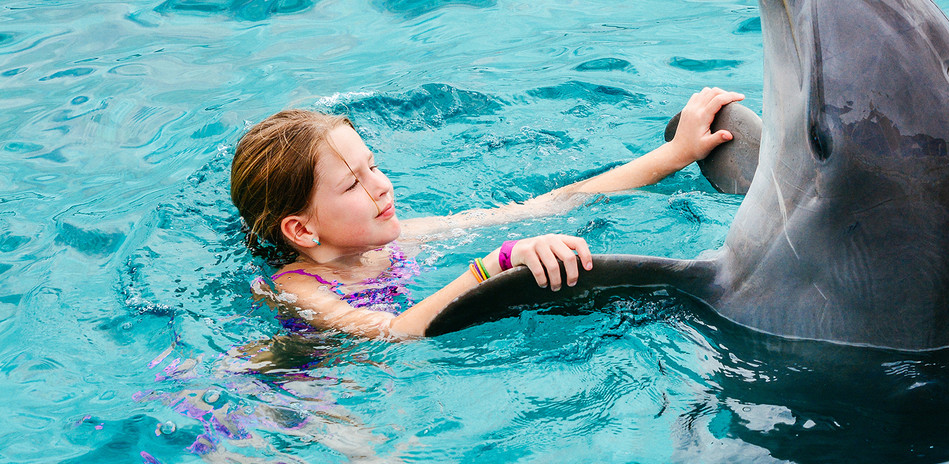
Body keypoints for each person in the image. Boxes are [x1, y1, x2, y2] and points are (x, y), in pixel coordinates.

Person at [230, 87, 745, 340]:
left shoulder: (396, 239)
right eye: (352, 184)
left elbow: (540, 208)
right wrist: (494, 264)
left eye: (373, 165)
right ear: (301, 230)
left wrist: (674, 154)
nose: (381, 186)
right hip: (282, 397)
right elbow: (395, 333)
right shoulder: (297, 287)